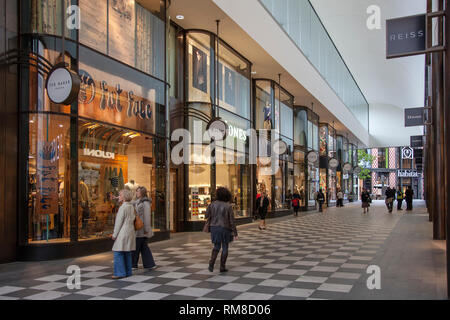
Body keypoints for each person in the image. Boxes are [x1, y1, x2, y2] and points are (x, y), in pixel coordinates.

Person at [205, 187, 238, 273]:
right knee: (225, 247)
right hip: (225, 228)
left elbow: (206, 215)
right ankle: (222, 267)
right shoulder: (228, 206)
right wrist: (235, 232)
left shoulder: (212, 204)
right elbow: (232, 220)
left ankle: (211, 263)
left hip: (214, 228)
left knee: (216, 246)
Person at [111, 189, 136, 279]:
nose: (118, 197)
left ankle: (119, 273)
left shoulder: (123, 207)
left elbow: (119, 222)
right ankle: (128, 271)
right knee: (127, 252)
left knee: (118, 252)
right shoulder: (131, 206)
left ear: (124, 197)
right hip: (130, 230)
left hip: (123, 231)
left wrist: (114, 234)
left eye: (120, 195)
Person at [132, 186, 156, 270]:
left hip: (142, 229)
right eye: (136, 191)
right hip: (138, 229)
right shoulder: (137, 201)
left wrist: (146, 229)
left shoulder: (145, 203)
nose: (136, 193)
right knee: (143, 247)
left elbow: (147, 217)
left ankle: (133, 264)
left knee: (137, 246)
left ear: (142, 192)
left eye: (138, 191)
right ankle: (149, 264)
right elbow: (131, 203)